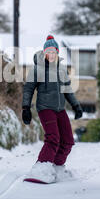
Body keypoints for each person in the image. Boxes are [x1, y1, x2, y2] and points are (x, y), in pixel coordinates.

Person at [22, 34, 83, 183]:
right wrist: (26, 107)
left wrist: (76, 106)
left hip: (60, 109)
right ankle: (41, 168)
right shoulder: (37, 69)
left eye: (54, 52)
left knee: (68, 140)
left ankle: (56, 168)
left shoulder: (62, 70)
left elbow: (68, 90)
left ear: (57, 53)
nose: (51, 54)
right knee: (53, 138)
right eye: (48, 52)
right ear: (44, 53)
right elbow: (28, 89)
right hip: (45, 108)